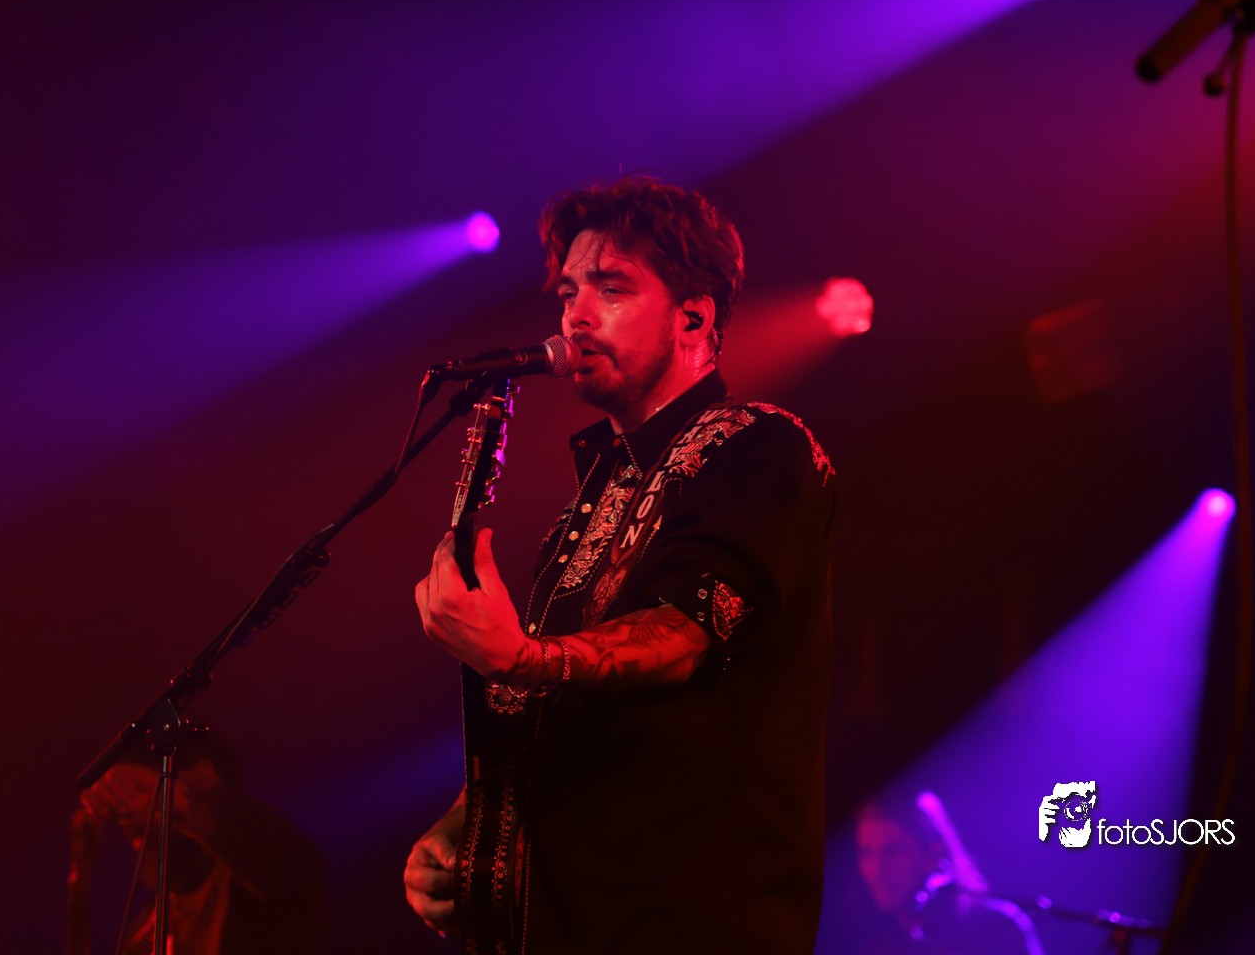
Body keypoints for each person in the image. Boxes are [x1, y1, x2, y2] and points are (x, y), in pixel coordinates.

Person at [405, 175, 836, 954]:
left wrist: (522, 656)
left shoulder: (759, 444)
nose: (575, 314)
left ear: (693, 316)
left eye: (611, 288)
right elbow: (561, 715)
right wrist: (469, 827)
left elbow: (686, 631)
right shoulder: (591, 498)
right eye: (568, 291)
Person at [71, 740, 326, 955]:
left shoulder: (247, 886)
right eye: (124, 817)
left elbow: (297, 868)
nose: (134, 829)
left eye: (141, 803)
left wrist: (187, 805)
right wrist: (79, 882)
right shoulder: (152, 916)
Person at [854, 790, 1043, 955]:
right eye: (866, 853)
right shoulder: (879, 948)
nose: (876, 871)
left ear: (934, 855)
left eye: (892, 853)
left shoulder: (997, 928)